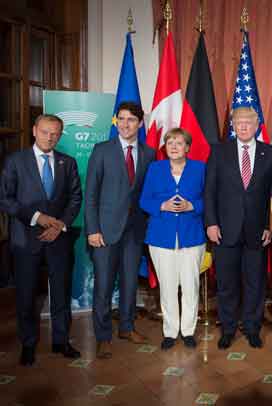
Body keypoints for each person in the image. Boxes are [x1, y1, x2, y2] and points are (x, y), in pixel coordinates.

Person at [0, 114, 82, 365]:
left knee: (61, 291)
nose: (50, 137)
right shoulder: (15, 161)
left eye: (56, 133)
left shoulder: (67, 163)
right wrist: (37, 217)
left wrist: (60, 225)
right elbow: (5, 199)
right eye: (46, 132)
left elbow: (75, 198)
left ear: (60, 134)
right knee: (26, 294)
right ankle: (28, 344)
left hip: (58, 239)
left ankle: (60, 341)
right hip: (26, 240)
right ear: (35, 131)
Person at [205, 107, 272, 350]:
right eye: (239, 122)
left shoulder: (270, 153)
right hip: (225, 229)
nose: (244, 126)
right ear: (233, 125)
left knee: (255, 283)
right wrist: (211, 223)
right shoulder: (219, 151)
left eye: (249, 122)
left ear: (258, 124)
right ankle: (227, 328)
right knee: (227, 282)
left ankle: (252, 327)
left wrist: (271, 225)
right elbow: (210, 191)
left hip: (257, 231)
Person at [85, 101, 155, 359]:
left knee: (129, 283)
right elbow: (91, 194)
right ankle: (103, 336)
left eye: (131, 120)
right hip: (104, 231)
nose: (126, 124)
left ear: (140, 123)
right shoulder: (102, 150)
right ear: (116, 122)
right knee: (103, 286)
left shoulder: (149, 153)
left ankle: (127, 327)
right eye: (121, 119)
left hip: (134, 232)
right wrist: (93, 229)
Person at [139, 128, 206, 350]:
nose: (174, 147)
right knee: (167, 287)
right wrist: (162, 205)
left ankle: (188, 331)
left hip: (192, 236)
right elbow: (143, 200)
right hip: (161, 237)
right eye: (170, 143)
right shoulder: (155, 169)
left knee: (190, 286)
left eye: (179, 143)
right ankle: (170, 331)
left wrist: (193, 206)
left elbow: (210, 199)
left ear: (187, 147)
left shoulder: (200, 169)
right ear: (165, 147)